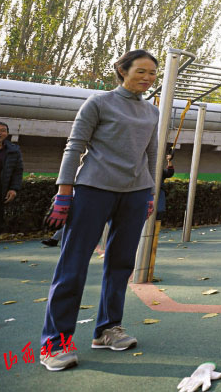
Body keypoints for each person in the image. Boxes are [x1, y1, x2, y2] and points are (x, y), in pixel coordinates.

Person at [40, 50, 160, 372]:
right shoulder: (98, 103)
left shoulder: (152, 111)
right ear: (122, 70)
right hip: (93, 189)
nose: (148, 78)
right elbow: (74, 146)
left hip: (135, 193)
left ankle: (107, 329)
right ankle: (54, 344)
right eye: (141, 71)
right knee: (73, 265)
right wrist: (64, 191)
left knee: (121, 264)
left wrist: (150, 192)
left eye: (152, 73)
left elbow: (151, 153)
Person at [0, 121, 24, 268]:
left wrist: (14, 189)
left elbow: (18, 172)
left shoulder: (13, 151)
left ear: (6, 134)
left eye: (2, 131)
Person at [158, 148, 175, 225]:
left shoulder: (159, 170)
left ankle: (155, 232)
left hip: (158, 192)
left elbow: (169, 172)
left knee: (159, 212)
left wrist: (169, 161)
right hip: (146, 191)